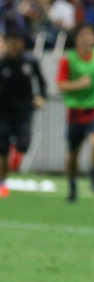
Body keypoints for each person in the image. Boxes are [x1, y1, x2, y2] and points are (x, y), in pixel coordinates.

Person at [56, 24, 94, 201]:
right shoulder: (68, 60)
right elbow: (60, 85)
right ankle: (72, 185)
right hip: (75, 111)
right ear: (77, 39)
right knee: (73, 154)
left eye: (90, 35)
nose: (86, 38)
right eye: (83, 35)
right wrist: (78, 84)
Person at [0, 25, 47, 197]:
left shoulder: (30, 62)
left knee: (23, 145)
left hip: (24, 111)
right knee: (1, 149)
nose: (13, 46)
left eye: (16, 42)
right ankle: (2, 182)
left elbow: (42, 83)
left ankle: (13, 157)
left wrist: (42, 97)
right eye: (10, 42)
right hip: (3, 112)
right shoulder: (2, 63)